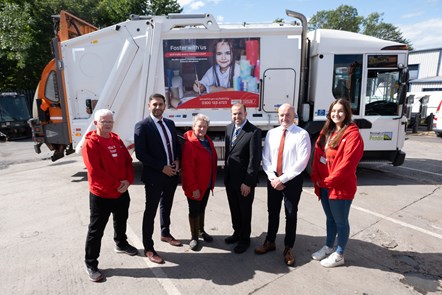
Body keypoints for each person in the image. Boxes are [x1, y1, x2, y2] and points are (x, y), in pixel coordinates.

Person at [82, 109, 137, 282]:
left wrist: (128, 180)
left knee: (121, 220)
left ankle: (120, 243)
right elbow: (95, 171)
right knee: (96, 230)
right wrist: (116, 185)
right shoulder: (91, 144)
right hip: (102, 195)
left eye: (110, 121)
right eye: (104, 121)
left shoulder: (116, 139)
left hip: (121, 192)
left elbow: (128, 162)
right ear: (96, 123)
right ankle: (90, 263)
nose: (107, 124)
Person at [310, 98, 364, 268]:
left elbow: (347, 165)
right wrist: (317, 178)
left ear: (347, 113)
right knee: (330, 219)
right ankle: (328, 246)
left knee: (341, 221)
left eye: (340, 111)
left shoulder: (353, 135)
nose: (336, 114)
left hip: (339, 186)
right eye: (334, 111)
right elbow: (318, 154)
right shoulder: (328, 131)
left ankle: (340, 253)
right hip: (324, 185)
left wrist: (328, 181)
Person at [255, 103, 311, 267]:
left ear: (294, 116)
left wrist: (283, 179)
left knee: (291, 214)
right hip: (274, 179)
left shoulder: (302, 134)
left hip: (292, 180)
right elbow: (266, 158)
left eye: (288, 115)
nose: (284, 118)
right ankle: (270, 241)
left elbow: (302, 162)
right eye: (281, 115)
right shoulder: (272, 133)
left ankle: (288, 248)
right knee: (272, 212)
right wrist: (273, 178)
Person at [134, 93, 182, 264]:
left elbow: (176, 145)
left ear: (165, 106)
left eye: (161, 104)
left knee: (167, 205)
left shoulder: (169, 123)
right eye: (154, 104)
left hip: (172, 175)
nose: (158, 107)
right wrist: (163, 168)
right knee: (150, 211)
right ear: (149, 106)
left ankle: (165, 233)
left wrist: (176, 160)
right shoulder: (142, 126)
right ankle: (148, 247)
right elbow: (141, 154)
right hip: (155, 176)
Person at [224, 103, 262, 254]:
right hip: (230, 179)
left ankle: (245, 239)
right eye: (234, 114)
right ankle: (237, 233)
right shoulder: (228, 128)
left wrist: (248, 182)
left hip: (244, 182)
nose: (236, 117)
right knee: (234, 208)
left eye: (239, 113)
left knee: (245, 210)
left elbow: (254, 159)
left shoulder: (253, 132)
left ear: (246, 114)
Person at [181, 114, 218, 250]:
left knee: (202, 208)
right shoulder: (190, 144)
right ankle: (194, 236)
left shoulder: (208, 141)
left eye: (204, 126)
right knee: (194, 210)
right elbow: (188, 169)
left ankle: (201, 231)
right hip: (195, 186)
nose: (202, 128)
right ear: (193, 127)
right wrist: (193, 187)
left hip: (207, 184)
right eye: (199, 126)